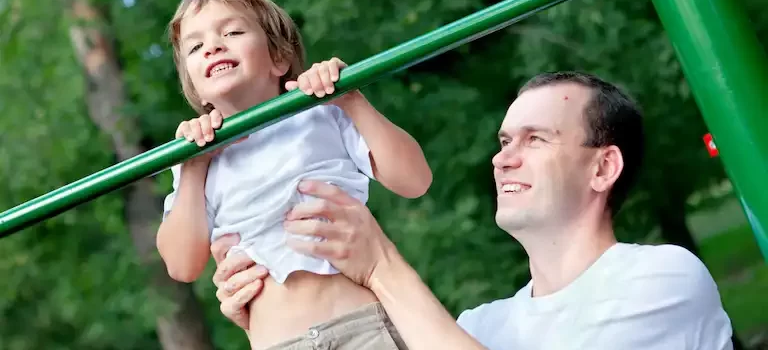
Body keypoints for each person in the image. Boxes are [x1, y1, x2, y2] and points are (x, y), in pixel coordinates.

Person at [211, 71, 735, 349]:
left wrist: (381, 268)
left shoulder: (660, 278)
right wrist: (279, 318)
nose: (503, 158)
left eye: (536, 139)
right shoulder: (480, 326)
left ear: (602, 168)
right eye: (505, 140)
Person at [156, 0, 433, 350]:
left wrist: (352, 100)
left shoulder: (322, 114)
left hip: (362, 328)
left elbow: (414, 180)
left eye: (233, 31)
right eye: (195, 46)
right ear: (194, 87)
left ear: (279, 58)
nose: (213, 46)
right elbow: (181, 265)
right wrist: (192, 169)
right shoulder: (197, 159)